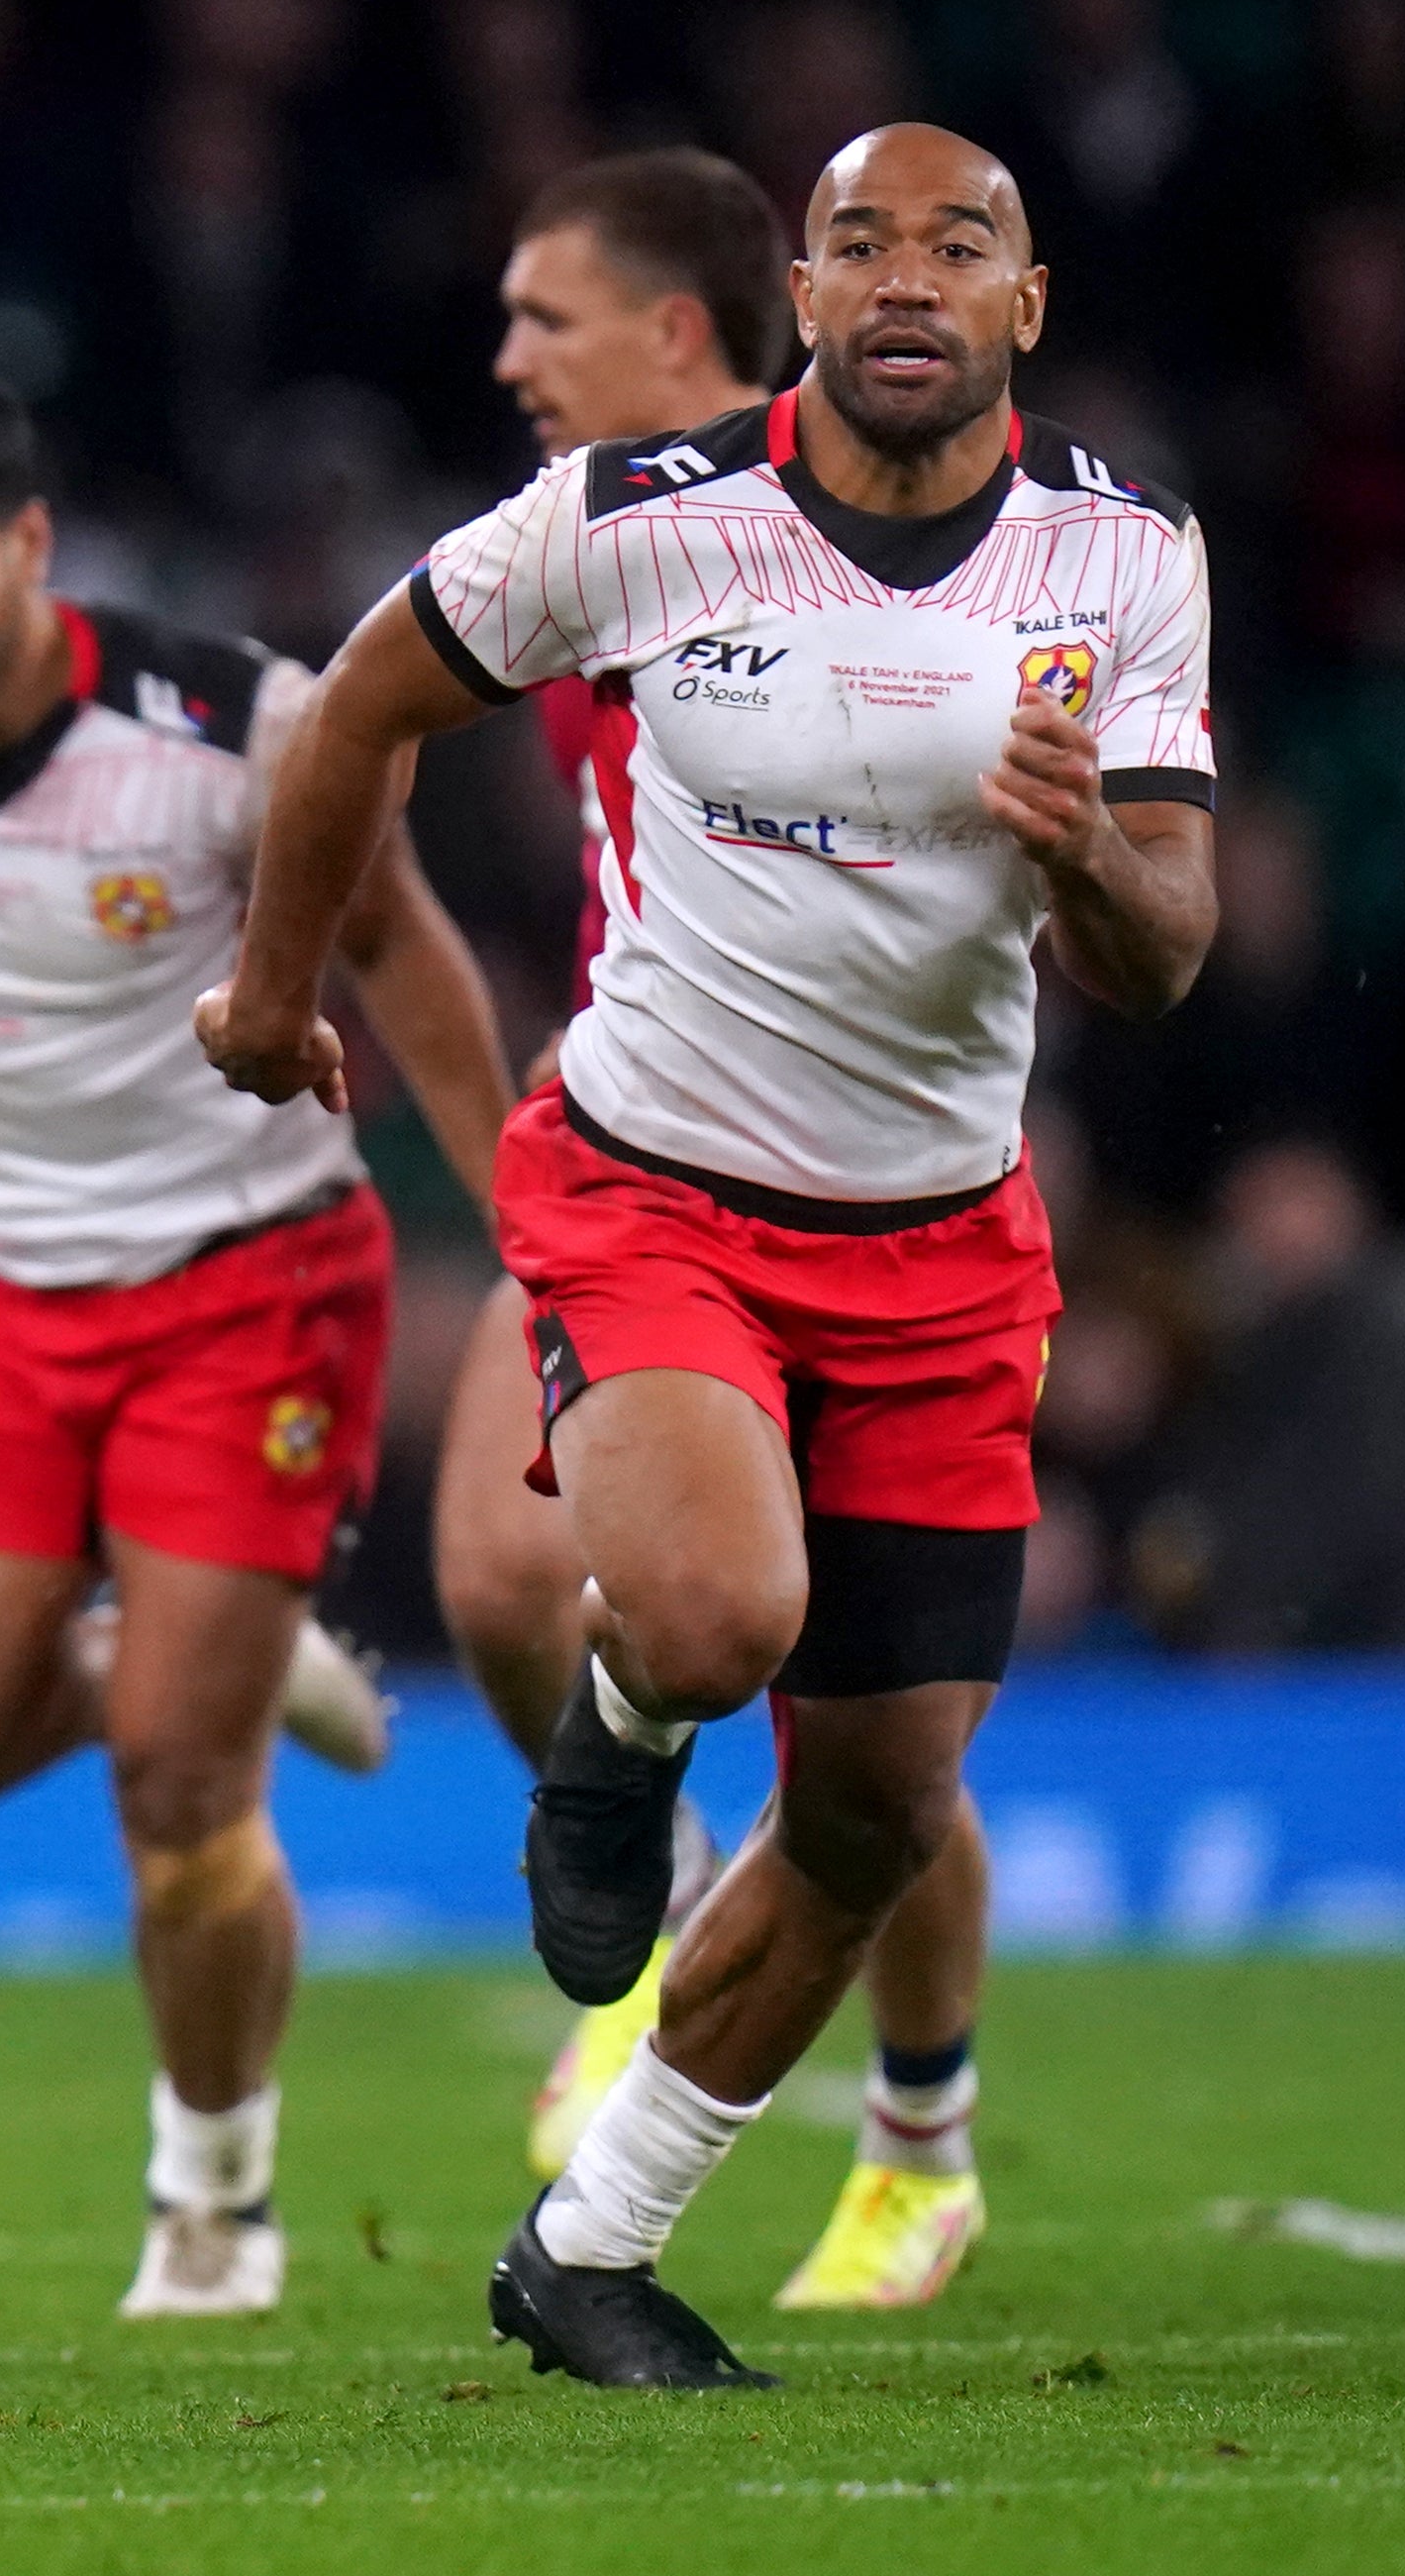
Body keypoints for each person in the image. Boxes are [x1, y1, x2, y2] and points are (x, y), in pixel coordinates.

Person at [200, 124, 1218, 2388]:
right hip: (660, 1183)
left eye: (963, 244)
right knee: (718, 1604)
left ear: (1025, 308)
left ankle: (592, 2245)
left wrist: (1091, 867)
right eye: (860, 238)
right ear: (803, 290)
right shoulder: (637, 521)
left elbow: (1168, 948)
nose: (908, 276)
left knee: (872, 1807)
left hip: (948, 1240)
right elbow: (359, 699)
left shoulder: (1124, 561)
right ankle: (632, 1714)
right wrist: (273, 997)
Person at [0, 362, 516, 2318]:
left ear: (29, 546)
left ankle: (214, 2184)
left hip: (243, 1280)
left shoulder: (228, 726)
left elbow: (405, 944)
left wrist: (537, 1225)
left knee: (181, 1791)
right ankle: (166, 1656)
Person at [441, 148, 1013, 2312]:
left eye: (546, 319)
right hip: (643, 1155)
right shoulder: (600, 546)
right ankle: (658, 1917)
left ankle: (921, 2128)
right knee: (523, 1567)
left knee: (864, 1709)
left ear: (681, 334)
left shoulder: (885, 561)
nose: (510, 358)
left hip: (892, 1180)